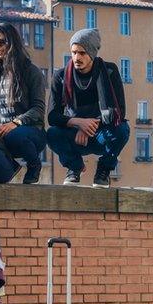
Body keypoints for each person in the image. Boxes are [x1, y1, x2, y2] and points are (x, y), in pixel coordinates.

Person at [46, 28, 129, 187]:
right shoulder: (61, 76)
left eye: (82, 53)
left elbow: (118, 112)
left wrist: (87, 126)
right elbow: (52, 116)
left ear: (91, 53)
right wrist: (77, 123)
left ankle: (104, 169)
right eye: (74, 52)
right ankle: (74, 167)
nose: (77, 57)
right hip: (74, 135)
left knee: (122, 130)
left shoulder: (109, 71)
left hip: (100, 133)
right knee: (52, 134)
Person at [0, 22, 47, 184]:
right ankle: (11, 166)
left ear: (12, 42)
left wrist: (15, 122)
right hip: (3, 133)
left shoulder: (31, 72)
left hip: (31, 133)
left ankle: (34, 165)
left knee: (14, 135)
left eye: (1, 42)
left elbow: (38, 109)